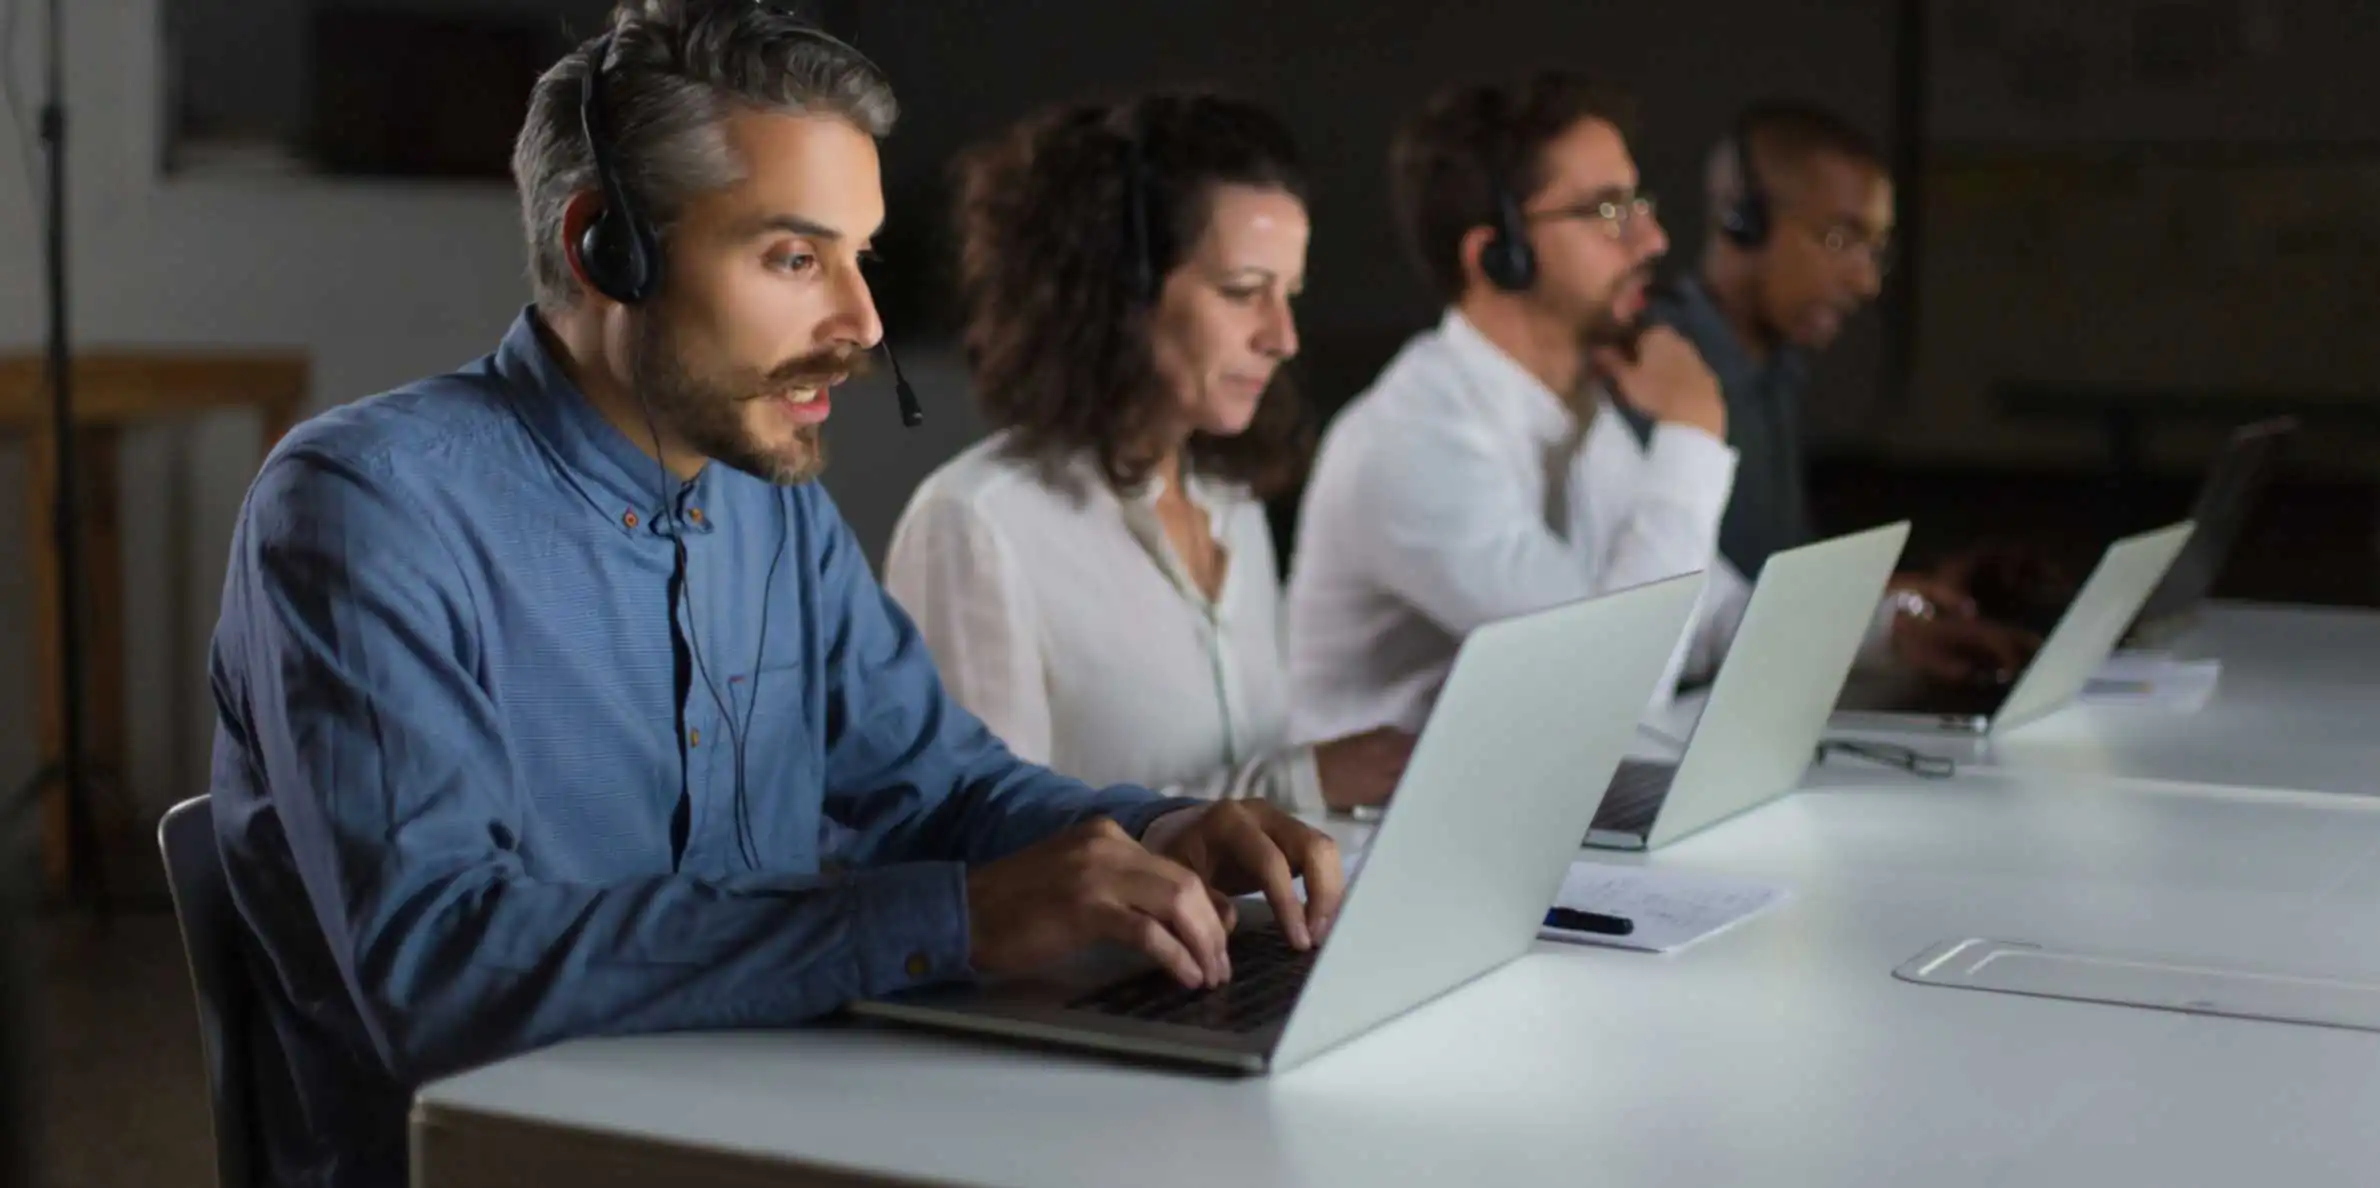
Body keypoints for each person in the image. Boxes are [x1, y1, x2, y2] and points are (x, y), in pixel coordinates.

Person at [205, 6, 1340, 1186]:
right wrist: (949, 921)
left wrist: (1158, 832)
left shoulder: (764, 496)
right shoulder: (366, 509)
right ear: (608, 250)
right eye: (795, 259)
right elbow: (440, 970)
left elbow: (935, 786)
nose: (861, 327)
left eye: (860, 259)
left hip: (770, 1124)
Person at [883, 95, 1415, 815]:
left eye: (1289, 295)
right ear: (1118, 295)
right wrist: (1299, 785)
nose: (1283, 338)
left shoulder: (1232, 502)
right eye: (1242, 292)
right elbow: (989, 847)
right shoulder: (975, 525)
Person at [1287, 72, 1745, 745]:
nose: (1652, 241)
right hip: (1371, 839)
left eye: (1637, 203)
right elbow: (1613, 684)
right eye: (1609, 211)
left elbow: (1706, 615)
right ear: (1498, 256)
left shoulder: (1573, 407)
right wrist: (1692, 435)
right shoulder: (1409, 440)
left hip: (1511, 804)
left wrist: (1890, 630)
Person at [1647, 100, 2038, 682]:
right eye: (1838, 240)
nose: (1866, 280)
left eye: (1874, 250)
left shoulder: (1775, 368)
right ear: (1742, 221)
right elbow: (1687, 610)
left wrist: (1897, 596)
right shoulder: (1658, 367)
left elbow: (1770, 576)